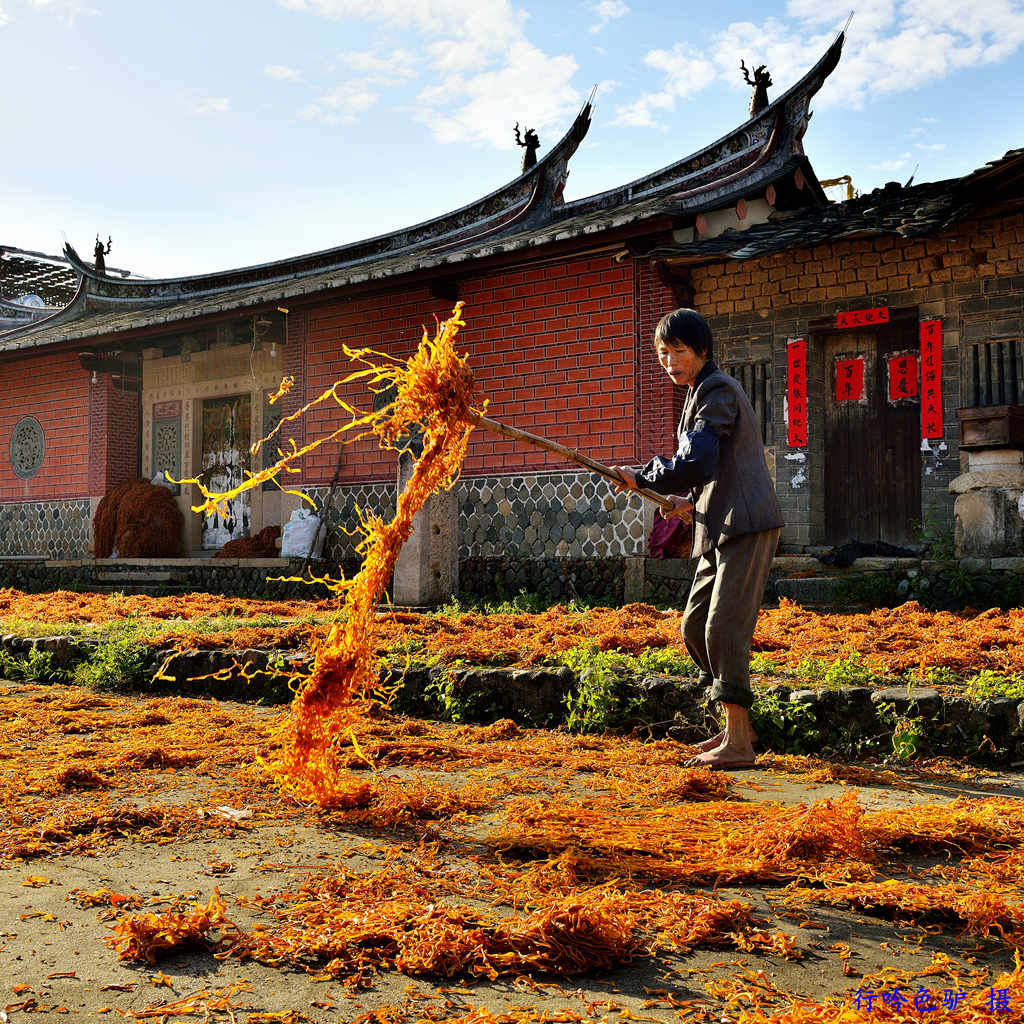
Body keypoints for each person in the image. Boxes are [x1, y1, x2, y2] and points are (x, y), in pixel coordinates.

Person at [613, 308, 783, 769]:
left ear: (702, 351)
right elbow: (706, 469)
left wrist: (644, 475)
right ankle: (736, 724)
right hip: (717, 523)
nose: (669, 361)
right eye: (663, 353)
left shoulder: (717, 392)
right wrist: (687, 499)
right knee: (693, 626)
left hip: (745, 523)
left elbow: (698, 461)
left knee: (723, 627)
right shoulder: (696, 396)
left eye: (679, 351)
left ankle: (740, 743)